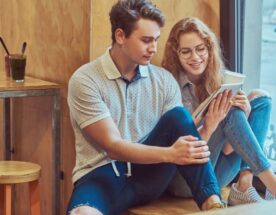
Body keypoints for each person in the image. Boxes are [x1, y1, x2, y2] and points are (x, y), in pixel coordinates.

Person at [66, 1, 225, 214]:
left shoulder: (164, 80)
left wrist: (205, 130)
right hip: (101, 176)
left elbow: (182, 132)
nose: (154, 48)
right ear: (120, 36)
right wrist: (170, 154)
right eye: (146, 40)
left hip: (150, 176)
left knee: (178, 116)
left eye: (156, 40)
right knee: (81, 213)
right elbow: (113, 146)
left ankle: (213, 204)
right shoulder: (86, 80)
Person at [161, 17, 276, 206]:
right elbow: (181, 151)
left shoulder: (217, 79)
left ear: (209, 48)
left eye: (200, 49)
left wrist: (245, 113)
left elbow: (228, 149)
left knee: (261, 99)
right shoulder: (168, 85)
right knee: (228, 109)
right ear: (176, 53)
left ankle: (244, 187)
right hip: (187, 180)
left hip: (217, 170)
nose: (195, 57)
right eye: (186, 51)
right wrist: (211, 124)